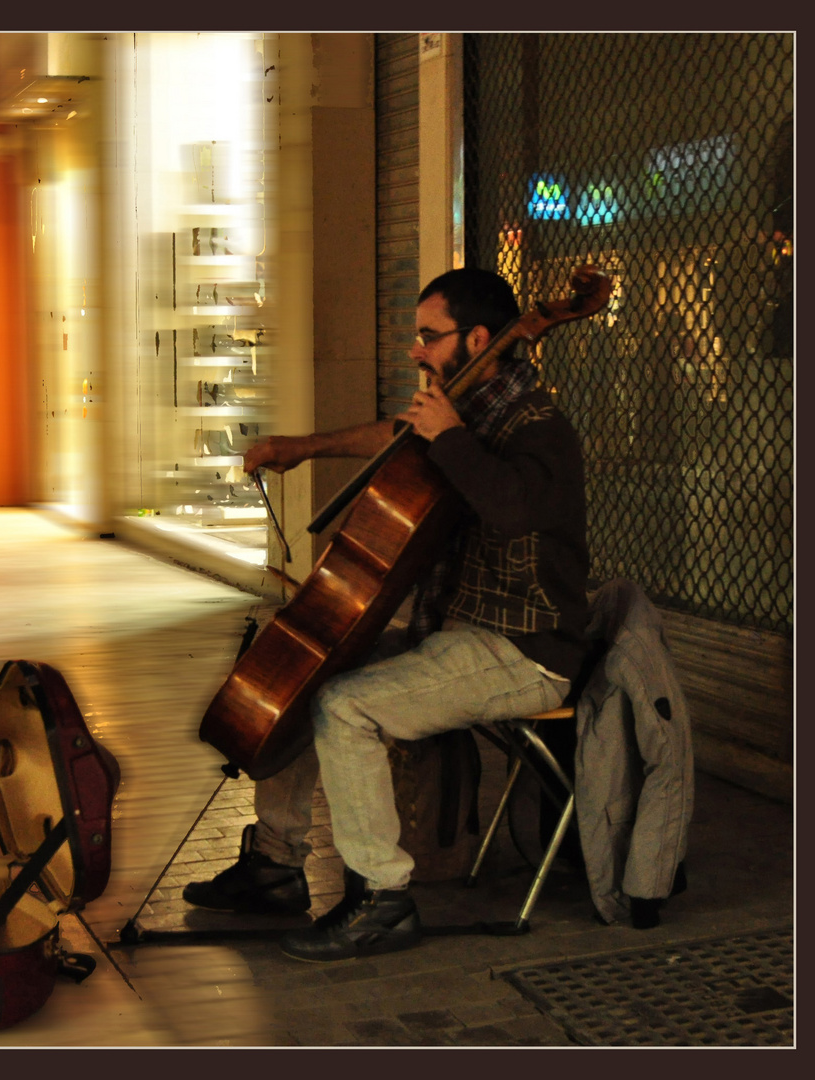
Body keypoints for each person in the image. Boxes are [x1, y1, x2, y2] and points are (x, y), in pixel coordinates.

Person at [183, 267, 591, 962]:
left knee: (346, 706)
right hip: (460, 631)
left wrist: (450, 437)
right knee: (309, 676)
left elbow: (513, 509)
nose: (416, 351)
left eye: (428, 337)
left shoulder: (537, 427)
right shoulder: (471, 405)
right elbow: (396, 436)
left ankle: (381, 897)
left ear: (479, 338)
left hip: (525, 650)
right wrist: (299, 448)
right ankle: (276, 866)